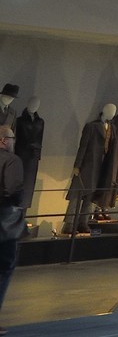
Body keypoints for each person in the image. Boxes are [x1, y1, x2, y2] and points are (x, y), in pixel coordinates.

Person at [0, 123, 22, 329]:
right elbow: (12, 190)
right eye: (13, 139)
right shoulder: (12, 160)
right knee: (4, 269)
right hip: (4, 221)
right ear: (4, 140)